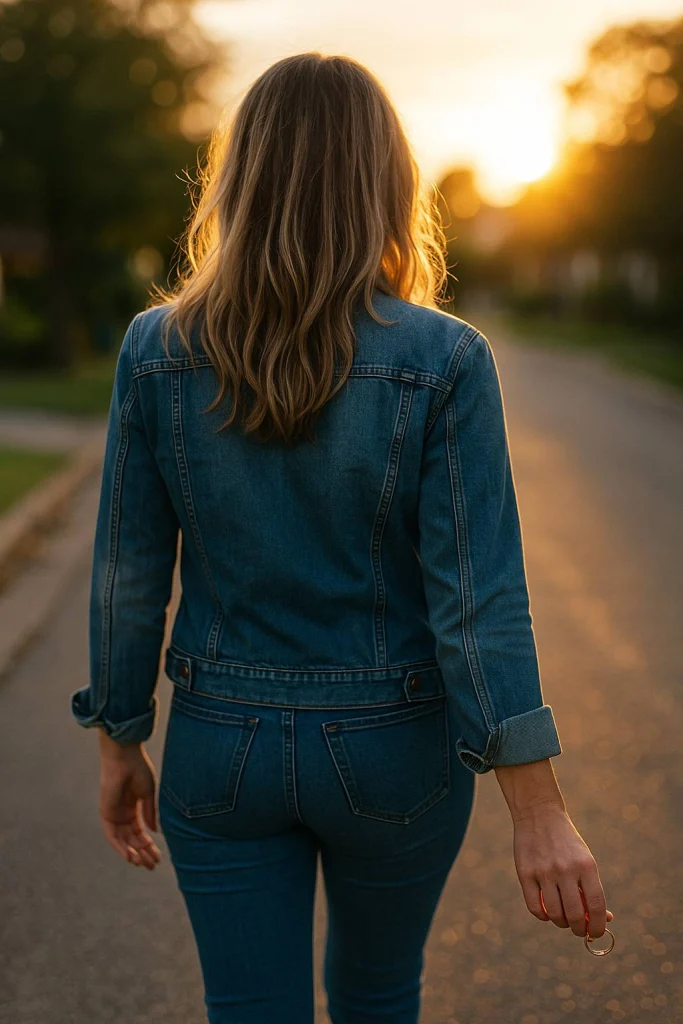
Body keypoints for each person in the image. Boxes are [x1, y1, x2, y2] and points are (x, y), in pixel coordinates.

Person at [70, 52, 613, 1024]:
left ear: (238, 180)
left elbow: (126, 576)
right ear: (386, 184)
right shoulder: (444, 359)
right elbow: (476, 598)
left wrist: (119, 735)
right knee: (375, 997)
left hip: (218, 741)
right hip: (394, 752)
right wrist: (536, 808)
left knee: (248, 1008)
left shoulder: (154, 351)